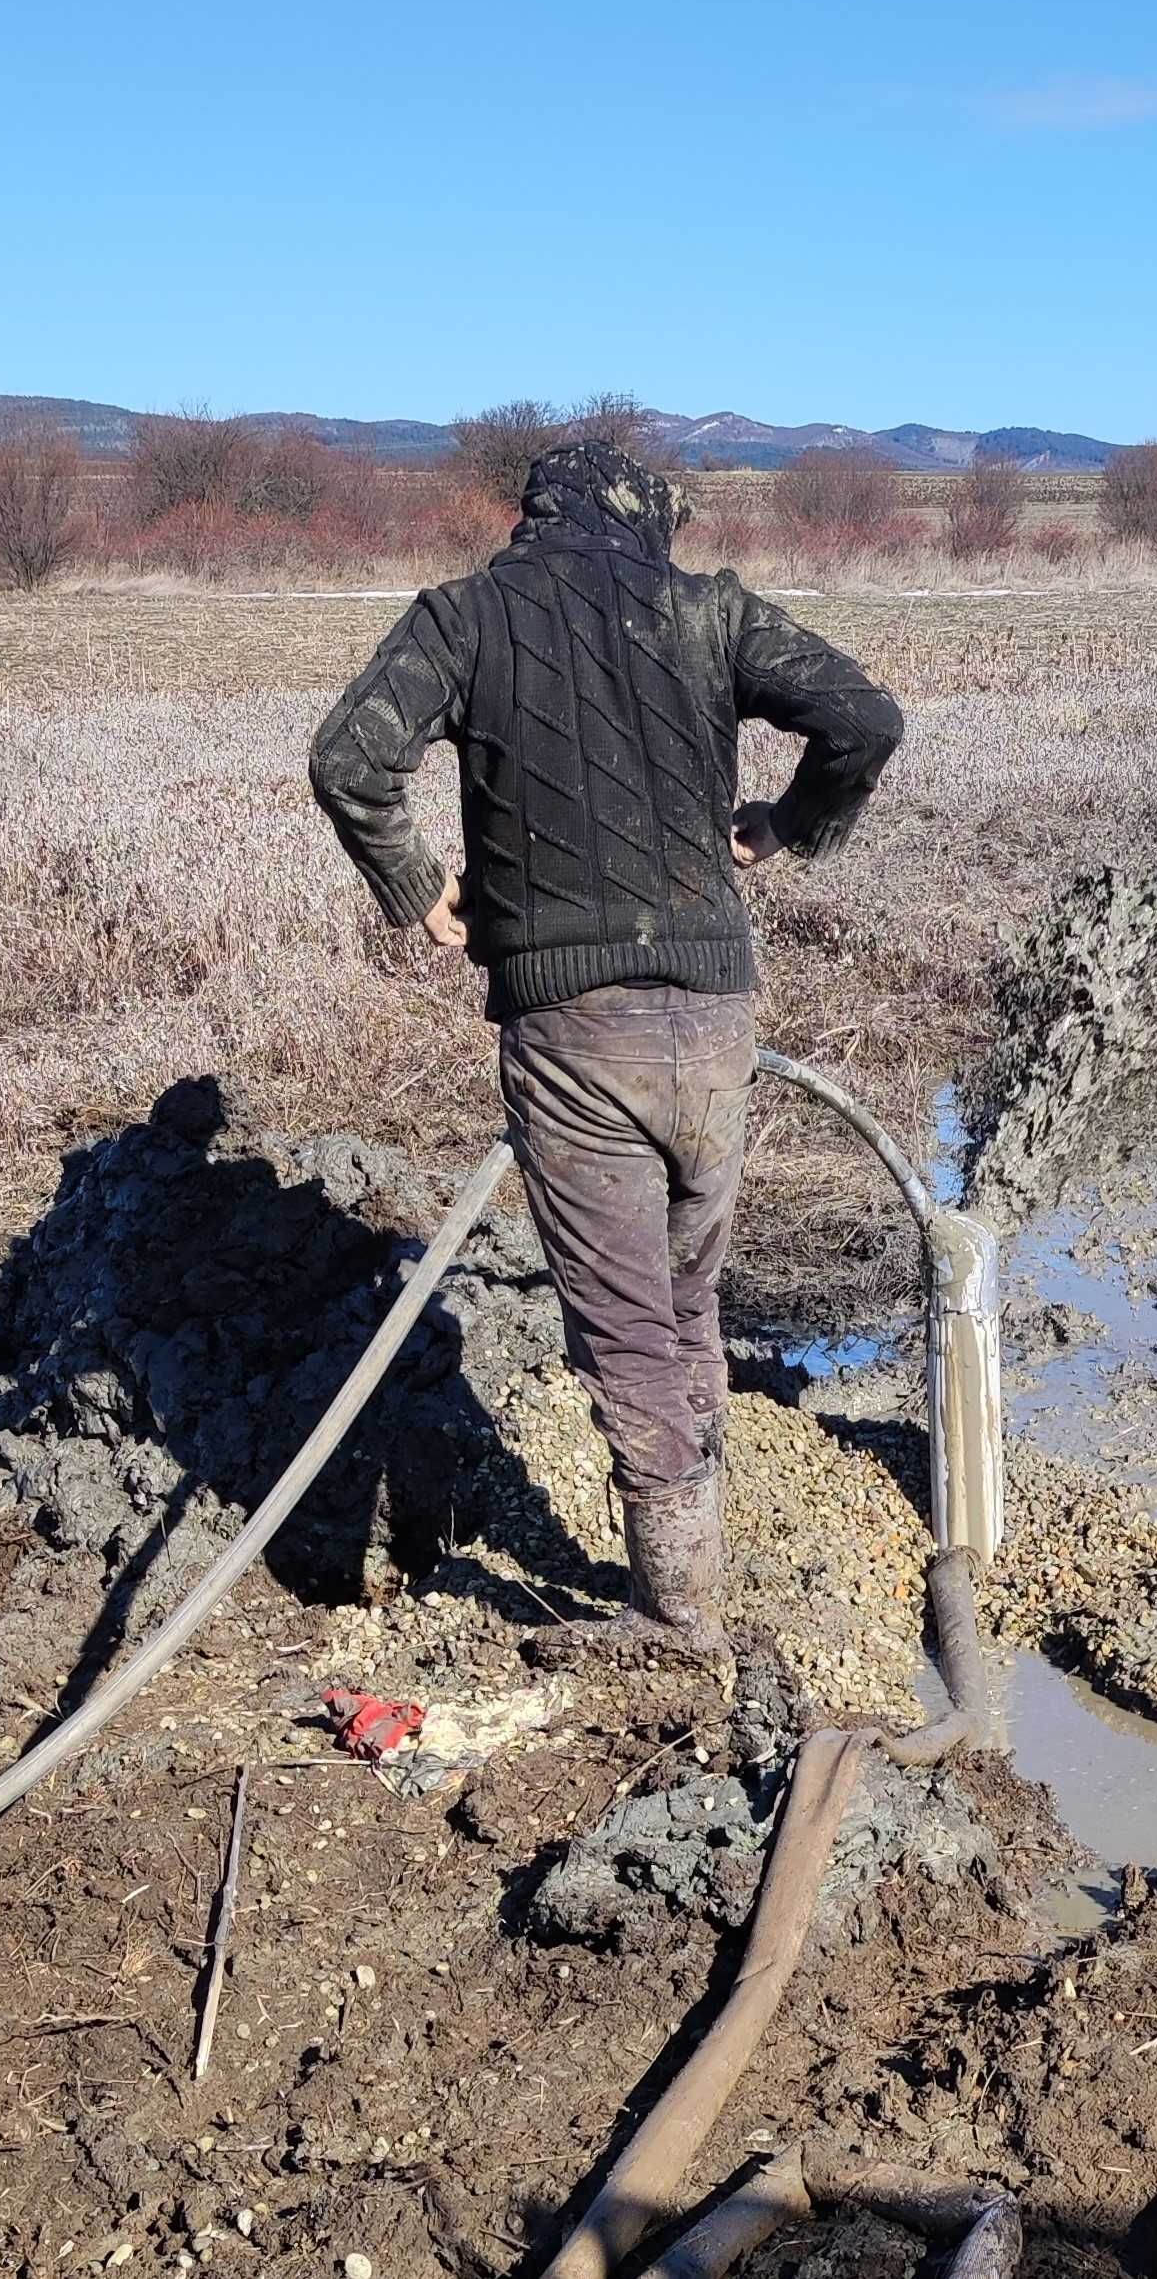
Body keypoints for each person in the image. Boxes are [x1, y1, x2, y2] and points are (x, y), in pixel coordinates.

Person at [308, 440, 904, 1659]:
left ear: (532, 519)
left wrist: (421, 886)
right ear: (649, 523)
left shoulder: (465, 618)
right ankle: (702, 1545)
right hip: (714, 1013)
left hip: (575, 1026)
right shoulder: (707, 611)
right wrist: (784, 826)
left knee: (626, 1323)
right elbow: (864, 718)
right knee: (684, 1296)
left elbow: (349, 759)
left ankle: (677, 1613)